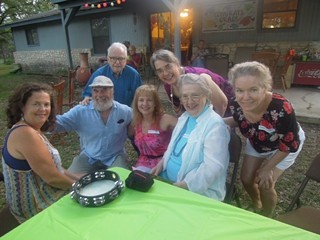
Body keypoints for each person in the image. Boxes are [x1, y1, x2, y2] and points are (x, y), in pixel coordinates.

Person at [224, 61, 305, 217]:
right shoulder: (235, 102)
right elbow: (238, 119)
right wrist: (213, 122)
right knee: (247, 179)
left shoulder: (281, 108)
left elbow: (289, 143)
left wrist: (268, 168)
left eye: (253, 89)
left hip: (283, 146)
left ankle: (268, 216)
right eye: (239, 90)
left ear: (265, 88)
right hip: (258, 142)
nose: (245, 97)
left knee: (265, 183)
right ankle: (257, 204)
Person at [2, 83, 80, 223]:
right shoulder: (25, 133)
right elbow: (53, 178)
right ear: (22, 107)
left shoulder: (32, 129)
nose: (43, 109)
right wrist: (82, 187)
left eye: (46, 104)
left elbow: (57, 169)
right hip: (36, 206)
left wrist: (82, 179)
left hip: (45, 193)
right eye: (36, 104)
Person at [152, 73, 230, 201]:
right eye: (185, 96)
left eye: (195, 95)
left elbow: (213, 167)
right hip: (167, 179)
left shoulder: (215, 125)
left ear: (206, 95)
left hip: (196, 192)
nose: (189, 101)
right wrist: (162, 163)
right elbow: (173, 148)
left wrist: (184, 186)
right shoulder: (185, 117)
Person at [55, 76, 132, 174]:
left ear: (112, 92)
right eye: (96, 91)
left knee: (120, 181)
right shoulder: (81, 111)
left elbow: (140, 121)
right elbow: (61, 122)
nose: (99, 95)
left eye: (104, 90)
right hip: (89, 156)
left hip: (115, 156)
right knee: (71, 180)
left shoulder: (125, 111)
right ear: (91, 93)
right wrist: (41, 119)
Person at [150, 49, 234, 117]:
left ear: (176, 64)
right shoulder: (168, 86)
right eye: (160, 71)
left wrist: (211, 126)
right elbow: (181, 110)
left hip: (228, 111)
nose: (165, 73)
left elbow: (222, 105)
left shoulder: (199, 78)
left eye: (168, 66)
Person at [129, 85, 177, 173]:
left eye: (149, 100)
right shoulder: (135, 122)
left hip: (165, 162)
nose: (145, 104)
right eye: (141, 100)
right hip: (143, 163)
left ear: (155, 103)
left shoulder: (164, 120)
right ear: (136, 103)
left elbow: (185, 127)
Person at [82, 42, 142, 107]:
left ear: (126, 59)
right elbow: (87, 94)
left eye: (121, 58)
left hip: (126, 114)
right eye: (113, 58)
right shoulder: (99, 74)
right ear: (108, 59)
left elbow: (140, 97)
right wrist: (86, 98)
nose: (117, 62)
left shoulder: (134, 75)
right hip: (103, 113)